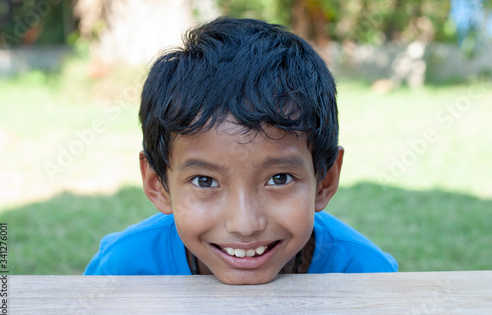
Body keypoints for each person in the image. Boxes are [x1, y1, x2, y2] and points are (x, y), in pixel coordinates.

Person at [84, 17, 397, 284]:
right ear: (157, 184)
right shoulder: (122, 272)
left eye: (280, 178)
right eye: (204, 181)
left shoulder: (364, 275)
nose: (245, 225)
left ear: (325, 180)